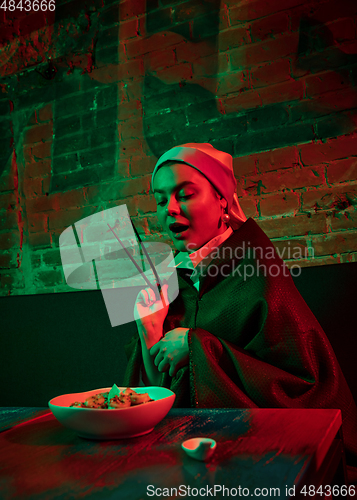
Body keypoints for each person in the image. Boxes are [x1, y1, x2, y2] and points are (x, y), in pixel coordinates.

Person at [123, 143, 357, 481]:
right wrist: (149, 331)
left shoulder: (259, 267)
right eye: (160, 201)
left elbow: (304, 388)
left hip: (264, 461)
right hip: (185, 458)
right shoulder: (168, 281)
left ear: (221, 199)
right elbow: (154, 394)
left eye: (184, 195)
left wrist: (197, 346)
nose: (169, 209)